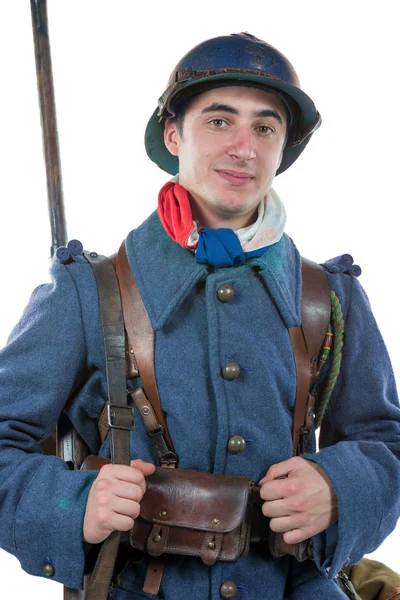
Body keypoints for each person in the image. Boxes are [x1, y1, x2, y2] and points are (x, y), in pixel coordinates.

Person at [0, 32, 399, 600]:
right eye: (218, 121)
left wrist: (342, 489)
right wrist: (71, 505)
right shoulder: (89, 292)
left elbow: (385, 441)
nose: (244, 147)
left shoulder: (328, 296)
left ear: (282, 148)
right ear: (173, 135)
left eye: (265, 127)